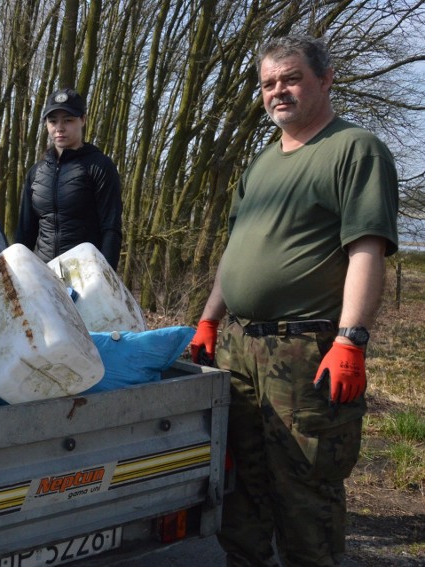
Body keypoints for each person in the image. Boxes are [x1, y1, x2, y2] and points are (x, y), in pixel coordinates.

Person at [190, 35, 398, 566]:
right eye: (268, 83)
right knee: (242, 486)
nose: (278, 90)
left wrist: (351, 339)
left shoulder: (354, 150)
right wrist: (209, 321)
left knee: (306, 491)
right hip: (238, 348)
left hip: (304, 351)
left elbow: (366, 248)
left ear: (325, 79)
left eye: (291, 78)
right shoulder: (259, 165)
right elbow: (237, 254)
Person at [15, 87, 123, 269]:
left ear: (83, 120)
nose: (59, 128)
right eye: (53, 121)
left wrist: (106, 278)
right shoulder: (36, 173)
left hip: (86, 275)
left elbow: (111, 228)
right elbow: (25, 233)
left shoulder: (99, 166)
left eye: (68, 120)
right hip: (44, 277)